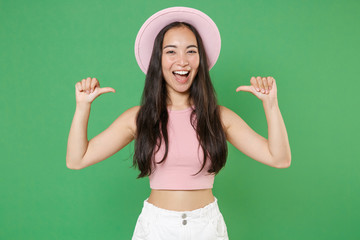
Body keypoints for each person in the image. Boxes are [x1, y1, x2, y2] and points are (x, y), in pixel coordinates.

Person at [66, 6, 291, 240]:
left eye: (191, 51)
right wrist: (83, 106)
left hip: (206, 228)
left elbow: (279, 158)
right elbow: (77, 159)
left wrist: (270, 104)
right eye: (171, 51)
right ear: (159, 59)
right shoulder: (139, 118)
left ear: (200, 60)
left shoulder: (218, 117)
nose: (182, 61)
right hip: (156, 228)